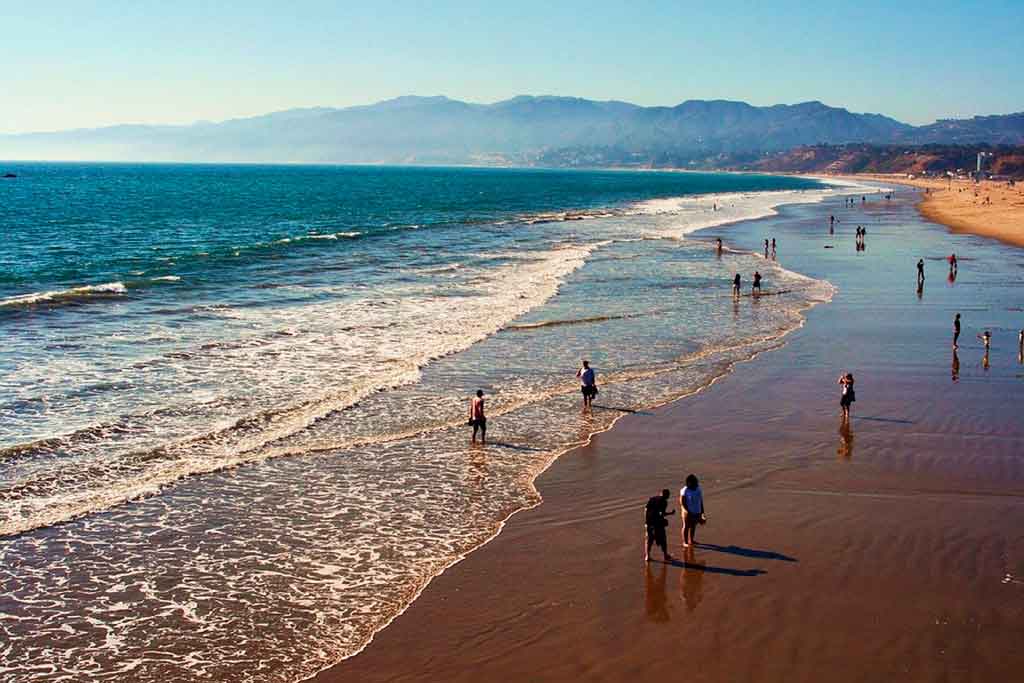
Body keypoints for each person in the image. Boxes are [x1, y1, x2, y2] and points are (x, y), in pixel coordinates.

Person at [644, 489, 675, 562]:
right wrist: (671, 513)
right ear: (666, 495)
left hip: (649, 523)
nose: (668, 497)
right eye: (668, 495)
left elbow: (645, 509)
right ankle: (665, 555)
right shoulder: (664, 501)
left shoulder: (652, 498)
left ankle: (647, 556)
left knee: (649, 540)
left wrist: (646, 522)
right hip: (657, 523)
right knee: (663, 539)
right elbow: (661, 513)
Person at [680, 474, 705, 548]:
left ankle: (691, 540)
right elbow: (682, 502)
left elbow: (700, 501)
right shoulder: (684, 490)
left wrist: (702, 513)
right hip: (687, 512)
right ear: (689, 483)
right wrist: (687, 511)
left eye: (696, 482)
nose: (696, 484)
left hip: (697, 511)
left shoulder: (698, 488)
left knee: (693, 526)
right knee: (686, 526)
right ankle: (685, 542)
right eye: (695, 482)